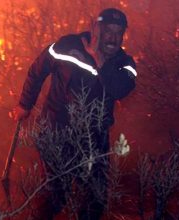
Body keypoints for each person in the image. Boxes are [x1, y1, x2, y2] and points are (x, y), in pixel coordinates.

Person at [14, 8, 137, 219]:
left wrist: (99, 62)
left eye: (118, 33)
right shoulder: (66, 46)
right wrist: (24, 105)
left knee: (95, 198)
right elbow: (37, 71)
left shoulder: (124, 64)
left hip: (94, 138)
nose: (113, 38)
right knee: (56, 194)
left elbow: (120, 89)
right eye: (108, 31)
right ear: (96, 28)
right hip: (55, 131)